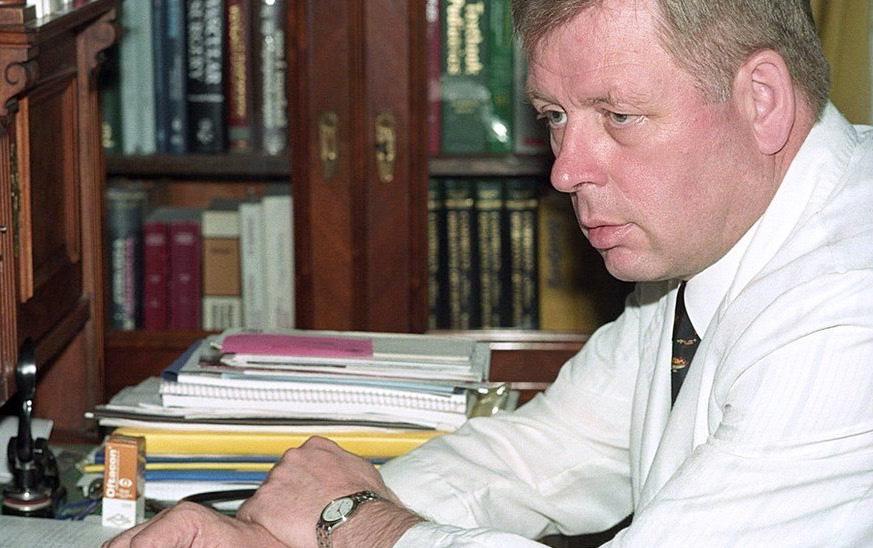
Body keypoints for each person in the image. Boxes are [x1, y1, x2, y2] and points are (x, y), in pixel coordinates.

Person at [106, 0, 873, 546]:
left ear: (760, 101)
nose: (565, 171)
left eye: (618, 116)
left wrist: (354, 521)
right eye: (554, 118)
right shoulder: (715, 235)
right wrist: (277, 530)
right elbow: (558, 450)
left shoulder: (847, 311)